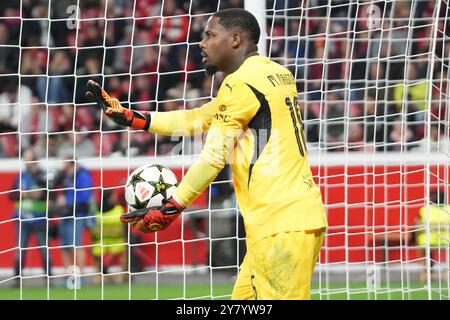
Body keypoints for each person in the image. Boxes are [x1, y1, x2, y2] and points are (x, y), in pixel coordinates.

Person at [86, 8, 328, 299]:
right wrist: (134, 118)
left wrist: (172, 207)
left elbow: (213, 157)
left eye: (210, 35)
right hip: (292, 219)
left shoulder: (240, 83)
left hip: (279, 226)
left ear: (235, 39)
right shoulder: (274, 73)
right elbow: (199, 118)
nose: (202, 43)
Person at [10, 147, 52, 283]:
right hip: (21, 218)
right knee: (20, 248)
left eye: (29, 159)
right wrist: (23, 194)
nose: (27, 162)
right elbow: (11, 195)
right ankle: (17, 277)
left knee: (43, 247)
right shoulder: (21, 176)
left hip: (39, 218)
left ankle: (49, 276)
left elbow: (49, 193)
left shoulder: (43, 176)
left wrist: (39, 194)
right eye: (25, 159)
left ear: (35, 160)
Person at [53, 155, 96, 284]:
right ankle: (68, 275)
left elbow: (85, 196)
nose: (64, 168)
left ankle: (80, 276)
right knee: (65, 246)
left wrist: (66, 201)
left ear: (72, 164)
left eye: (66, 165)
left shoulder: (83, 176)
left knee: (76, 245)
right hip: (64, 214)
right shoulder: (66, 176)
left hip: (77, 214)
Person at [91, 189, 127, 284]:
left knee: (95, 251)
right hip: (117, 240)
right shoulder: (118, 210)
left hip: (101, 241)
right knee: (125, 250)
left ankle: (98, 275)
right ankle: (123, 275)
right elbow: (124, 227)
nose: (115, 197)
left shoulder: (96, 212)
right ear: (109, 197)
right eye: (113, 195)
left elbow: (92, 229)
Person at [415, 189, 450, 282]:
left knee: (425, 250)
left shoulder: (424, 210)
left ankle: (425, 274)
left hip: (427, 241)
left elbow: (417, 225)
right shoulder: (449, 209)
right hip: (446, 240)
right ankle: (447, 274)